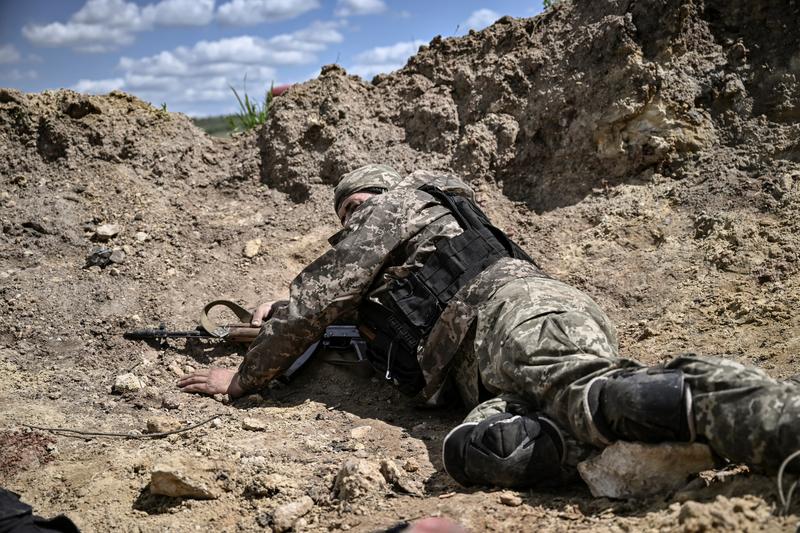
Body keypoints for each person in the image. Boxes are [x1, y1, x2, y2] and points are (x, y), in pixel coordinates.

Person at [178, 164, 800, 488]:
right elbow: (332, 319)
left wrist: (245, 375)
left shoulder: (403, 206)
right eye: (345, 214)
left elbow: (314, 298)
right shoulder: (400, 255)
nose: (353, 221)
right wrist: (268, 327)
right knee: (476, 453)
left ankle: (775, 419)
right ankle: (650, 437)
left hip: (514, 312)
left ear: (387, 195)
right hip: (482, 370)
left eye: (358, 207)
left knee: (585, 394)